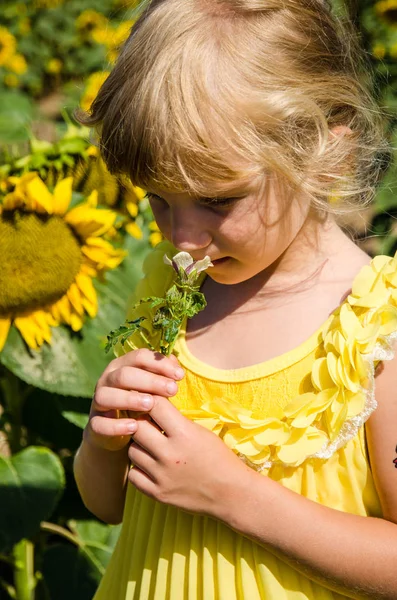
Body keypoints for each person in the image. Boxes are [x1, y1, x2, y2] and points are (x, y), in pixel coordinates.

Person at [73, 0, 397, 598]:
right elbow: (107, 507)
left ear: (327, 156)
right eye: (158, 199)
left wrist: (235, 497)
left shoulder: (377, 331)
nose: (182, 238)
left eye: (219, 201)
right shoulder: (169, 293)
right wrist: (102, 442)